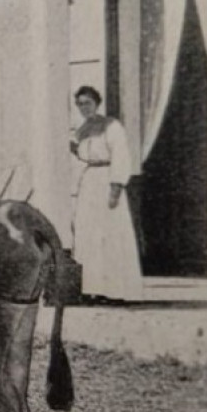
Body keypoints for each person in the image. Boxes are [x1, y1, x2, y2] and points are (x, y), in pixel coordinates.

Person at [69, 85, 143, 302]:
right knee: (88, 235)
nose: (84, 108)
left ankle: (115, 290)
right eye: (80, 104)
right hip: (90, 182)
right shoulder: (82, 129)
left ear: (97, 103)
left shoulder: (111, 126)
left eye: (88, 103)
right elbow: (81, 155)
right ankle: (92, 288)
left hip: (107, 179)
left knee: (110, 233)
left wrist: (116, 187)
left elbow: (120, 155)